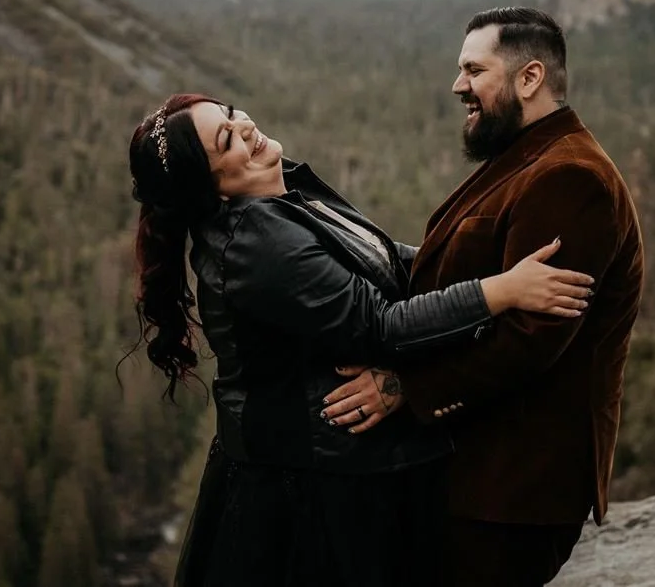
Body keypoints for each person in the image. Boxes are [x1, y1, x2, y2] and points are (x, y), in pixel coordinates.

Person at [128, 93, 594, 587]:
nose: (242, 125)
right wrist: (499, 291)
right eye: (226, 140)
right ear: (214, 189)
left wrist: (496, 259)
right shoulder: (255, 244)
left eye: (228, 112)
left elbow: (390, 262)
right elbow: (381, 325)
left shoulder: (285, 194)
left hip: (341, 468)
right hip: (313, 491)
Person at [321, 6, 644, 587]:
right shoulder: (524, 157)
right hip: (480, 475)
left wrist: (403, 388)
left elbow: (530, 340)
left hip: (516, 487)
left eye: (474, 70)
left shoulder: (570, 178)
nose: (458, 86)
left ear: (530, 78)